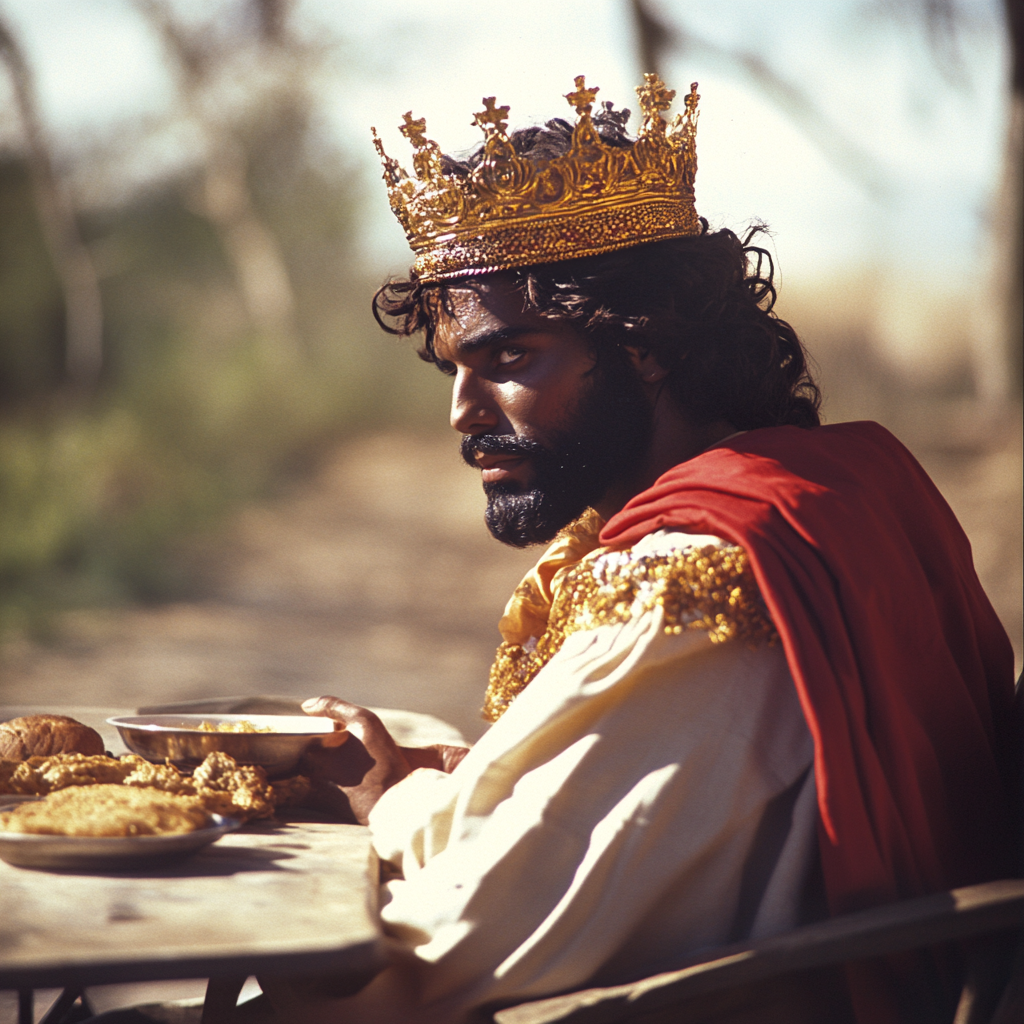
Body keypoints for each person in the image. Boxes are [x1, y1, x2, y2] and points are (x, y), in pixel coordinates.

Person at [245, 75, 1017, 1024]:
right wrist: (440, 783)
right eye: (456, 371)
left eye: (509, 359)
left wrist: (383, 803)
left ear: (643, 344)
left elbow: (473, 929)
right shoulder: (839, 481)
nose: (462, 415)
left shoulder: (696, 574)